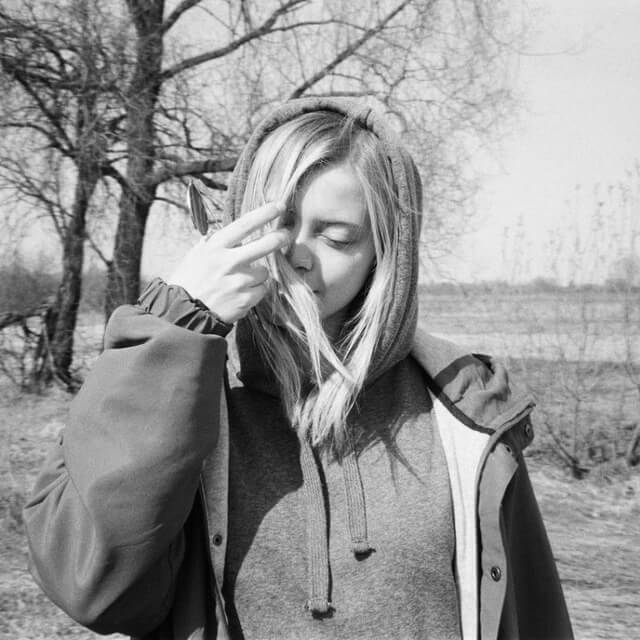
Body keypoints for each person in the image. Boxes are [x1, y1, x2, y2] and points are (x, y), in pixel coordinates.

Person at [24, 98, 573, 640]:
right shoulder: (181, 386)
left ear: (385, 253)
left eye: (336, 237)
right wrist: (174, 326)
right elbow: (93, 587)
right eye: (278, 225)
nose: (297, 254)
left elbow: (533, 619)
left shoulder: (464, 413)